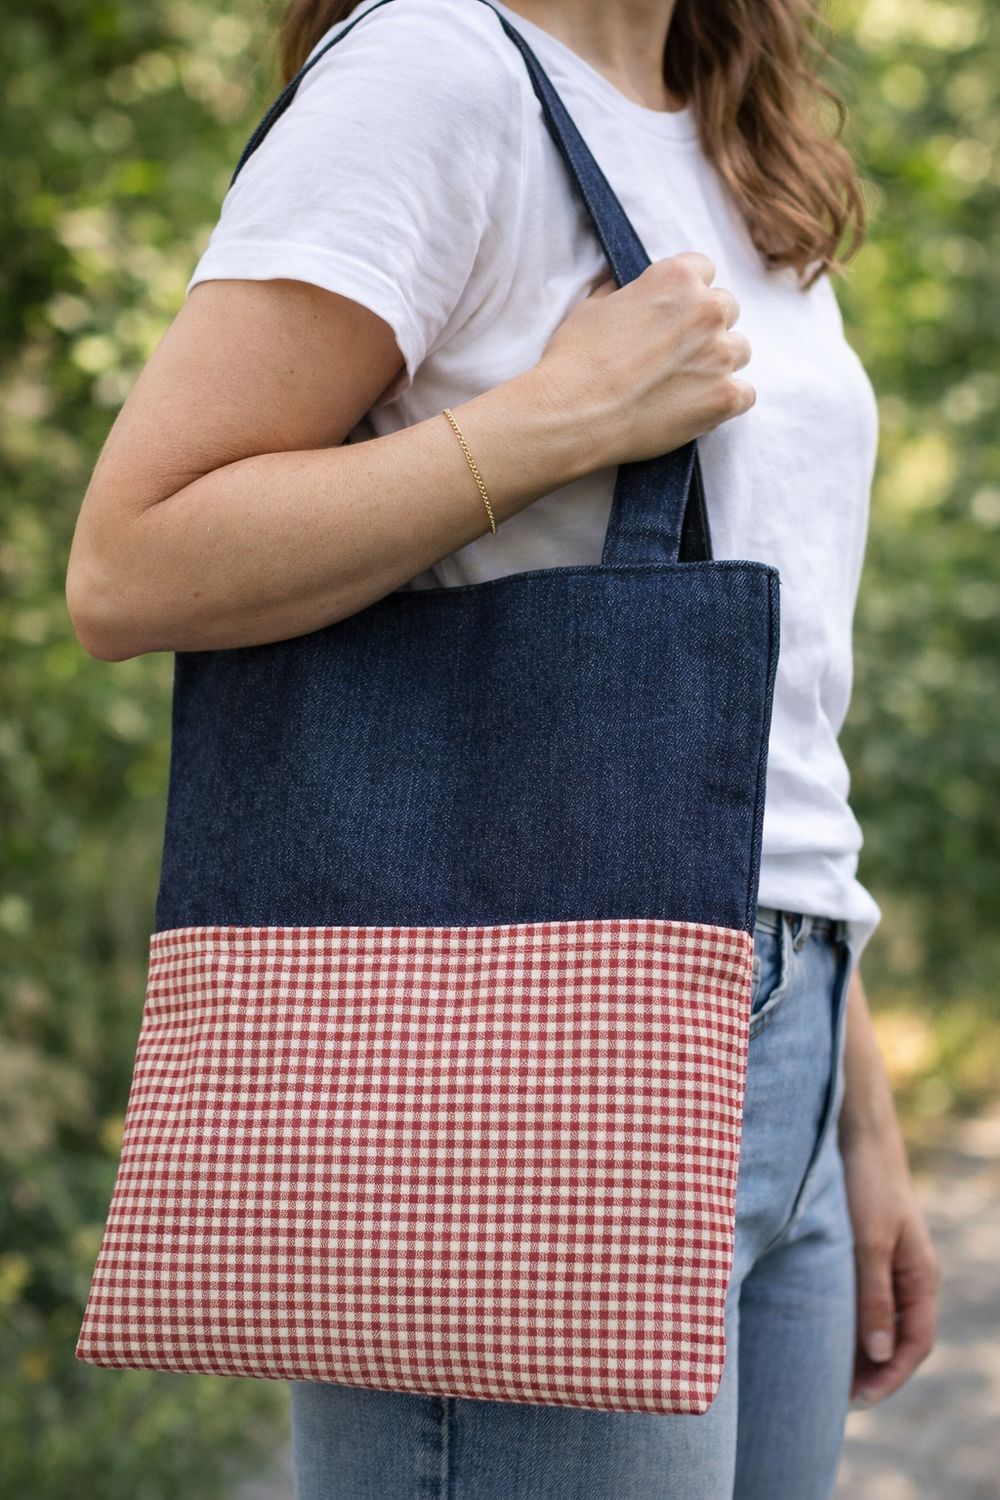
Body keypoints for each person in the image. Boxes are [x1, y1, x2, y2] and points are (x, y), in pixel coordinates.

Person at [65, 0, 941, 1494]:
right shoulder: (436, 73)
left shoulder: (734, 137)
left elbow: (748, 718)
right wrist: (554, 421)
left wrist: (852, 1115)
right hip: (537, 1037)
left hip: (777, 1026)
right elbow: (131, 564)